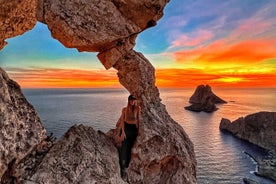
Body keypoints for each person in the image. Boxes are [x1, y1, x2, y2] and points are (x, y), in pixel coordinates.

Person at [118, 94, 141, 175]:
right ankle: (122, 164)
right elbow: (122, 121)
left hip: (133, 128)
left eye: (134, 100)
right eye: (131, 100)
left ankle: (127, 164)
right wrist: (123, 132)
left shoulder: (138, 108)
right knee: (124, 145)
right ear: (129, 101)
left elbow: (138, 120)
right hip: (126, 128)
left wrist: (139, 130)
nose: (133, 101)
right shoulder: (124, 109)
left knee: (130, 147)